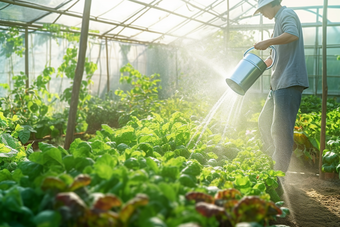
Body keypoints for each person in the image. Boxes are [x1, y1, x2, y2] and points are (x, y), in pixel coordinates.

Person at [253, 0, 309, 175]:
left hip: (289, 82)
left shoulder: (286, 14)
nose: (262, 13)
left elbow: (292, 34)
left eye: (262, 9)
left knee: (281, 132)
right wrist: (256, 66)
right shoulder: (278, 21)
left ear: (272, 3)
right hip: (278, 84)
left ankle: (278, 177)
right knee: (264, 121)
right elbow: (274, 57)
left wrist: (267, 41)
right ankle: (275, 162)